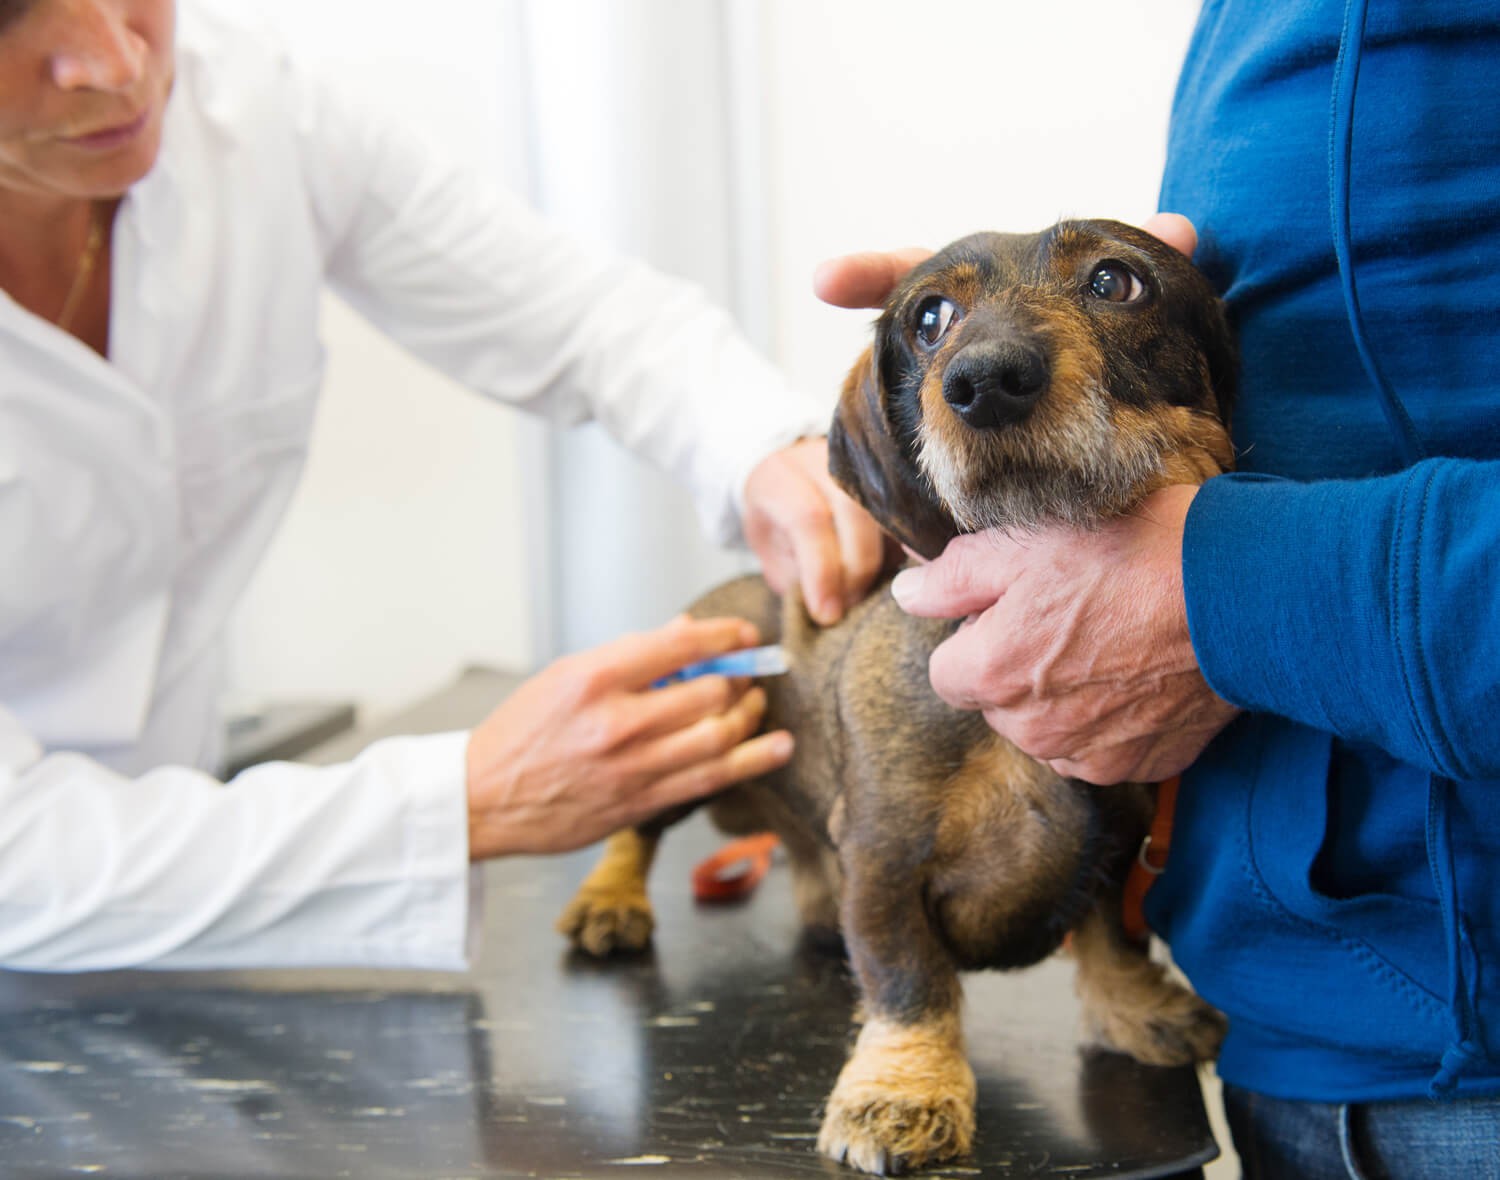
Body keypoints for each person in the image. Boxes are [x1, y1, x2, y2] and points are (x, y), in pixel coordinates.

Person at [0, 0, 885, 972]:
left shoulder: (246, 105)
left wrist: (775, 442)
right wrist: (465, 797)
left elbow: (576, 314)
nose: (115, 59)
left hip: (194, 893)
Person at [816, 2, 1500, 1176]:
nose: (978, 360)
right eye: (938, 330)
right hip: (1276, 1033)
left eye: (1118, 289)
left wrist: (1229, 589)